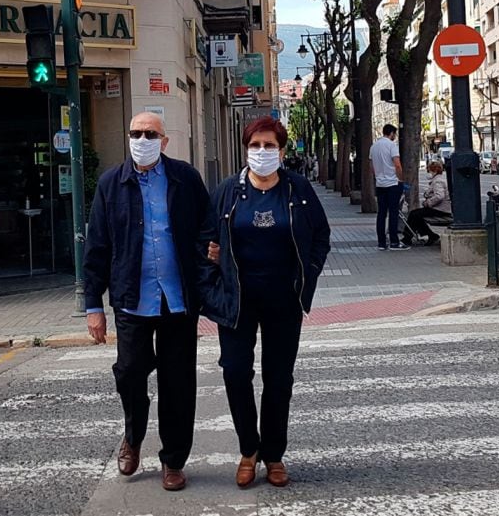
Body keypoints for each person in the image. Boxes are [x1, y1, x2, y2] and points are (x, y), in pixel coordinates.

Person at [199, 116, 330, 489]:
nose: (261, 152)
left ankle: (273, 455)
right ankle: (248, 450)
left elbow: (320, 235)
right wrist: (212, 279)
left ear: (282, 150)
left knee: (278, 380)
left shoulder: (299, 189)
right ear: (246, 149)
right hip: (236, 301)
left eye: (269, 146)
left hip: (283, 301)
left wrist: (309, 275)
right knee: (235, 373)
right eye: (255, 146)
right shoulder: (227, 191)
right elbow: (204, 241)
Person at [83, 111, 210, 493]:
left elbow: (207, 227)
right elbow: (98, 247)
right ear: (128, 137)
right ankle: (133, 437)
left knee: (178, 382)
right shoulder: (111, 184)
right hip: (131, 300)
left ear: (164, 141)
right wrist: (93, 306)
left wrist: (207, 267)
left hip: (177, 300)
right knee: (130, 374)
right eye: (136, 133)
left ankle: (173, 460)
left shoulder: (185, 178)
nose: (142, 139)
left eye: (150, 133)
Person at [369, 124, 406, 250]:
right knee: (393, 213)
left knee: (381, 213)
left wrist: (378, 176)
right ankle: (394, 242)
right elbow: (397, 164)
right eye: (394, 134)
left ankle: (381, 242)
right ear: (391, 133)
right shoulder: (391, 146)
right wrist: (401, 178)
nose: (395, 137)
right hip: (392, 183)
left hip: (380, 183)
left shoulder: (374, 147)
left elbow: (372, 167)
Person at [407, 160, 450, 246]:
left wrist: (428, 203)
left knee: (414, 214)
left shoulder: (438, 181)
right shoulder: (438, 179)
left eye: (429, 170)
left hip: (440, 209)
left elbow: (439, 196)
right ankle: (431, 235)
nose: (428, 172)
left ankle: (407, 237)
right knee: (416, 215)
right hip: (439, 208)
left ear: (434, 171)